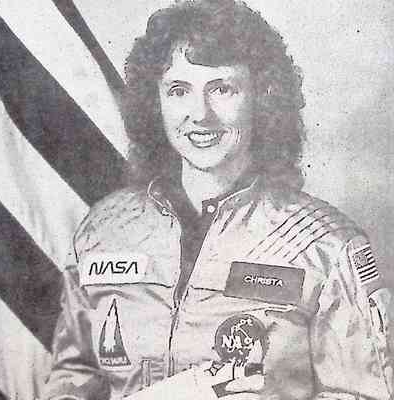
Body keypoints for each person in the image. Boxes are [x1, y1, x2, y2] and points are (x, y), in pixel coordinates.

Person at [43, 0, 393, 399]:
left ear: (262, 97)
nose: (200, 114)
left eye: (222, 89)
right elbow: (73, 377)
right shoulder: (103, 231)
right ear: (154, 102)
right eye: (179, 90)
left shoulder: (325, 247)